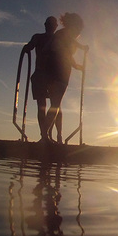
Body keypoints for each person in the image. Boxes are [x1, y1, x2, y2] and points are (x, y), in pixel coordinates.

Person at [44, 13, 88, 142]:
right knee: (55, 104)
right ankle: (45, 136)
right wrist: (82, 48)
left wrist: (76, 66)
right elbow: (63, 52)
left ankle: (51, 136)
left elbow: (66, 53)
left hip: (59, 72)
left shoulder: (63, 35)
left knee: (56, 104)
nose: (79, 31)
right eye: (78, 28)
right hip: (58, 73)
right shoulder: (64, 34)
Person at [23, 16, 62, 142]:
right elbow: (29, 47)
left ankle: (51, 136)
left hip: (49, 77)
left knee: (52, 106)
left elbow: (28, 47)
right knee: (50, 106)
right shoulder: (40, 37)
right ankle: (47, 136)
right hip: (44, 76)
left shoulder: (54, 39)